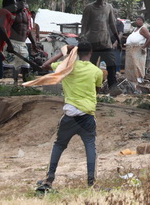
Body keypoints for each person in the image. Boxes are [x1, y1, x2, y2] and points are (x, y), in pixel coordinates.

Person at [36, 41, 103, 190]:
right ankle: (92, 183)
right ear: (90, 53)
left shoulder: (68, 67)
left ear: (77, 53)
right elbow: (97, 89)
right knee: (90, 147)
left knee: (59, 145)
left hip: (70, 115)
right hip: (87, 115)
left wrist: (63, 52)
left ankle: (49, 180)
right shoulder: (97, 71)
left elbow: (45, 65)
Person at [80, 0, 122, 93]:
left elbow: (112, 25)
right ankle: (88, 88)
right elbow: (84, 25)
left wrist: (118, 41)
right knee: (90, 67)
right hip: (92, 43)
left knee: (111, 65)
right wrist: (82, 37)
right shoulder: (89, 8)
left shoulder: (109, 7)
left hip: (105, 43)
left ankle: (113, 88)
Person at [7, 0, 39, 84]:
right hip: (11, 41)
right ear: (16, 1)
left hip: (22, 43)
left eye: (24, 1)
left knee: (26, 65)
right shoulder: (11, 13)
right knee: (12, 64)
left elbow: (28, 30)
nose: (22, 3)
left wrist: (34, 43)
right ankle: (14, 83)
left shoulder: (27, 14)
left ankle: (26, 85)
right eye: (20, 0)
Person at [124, 16, 150, 83]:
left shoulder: (143, 29)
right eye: (137, 19)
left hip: (138, 50)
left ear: (143, 22)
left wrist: (144, 46)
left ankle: (139, 81)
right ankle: (131, 82)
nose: (138, 21)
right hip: (131, 50)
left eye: (140, 20)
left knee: (137, 67)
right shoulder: (135, 29)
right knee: (131, 67)